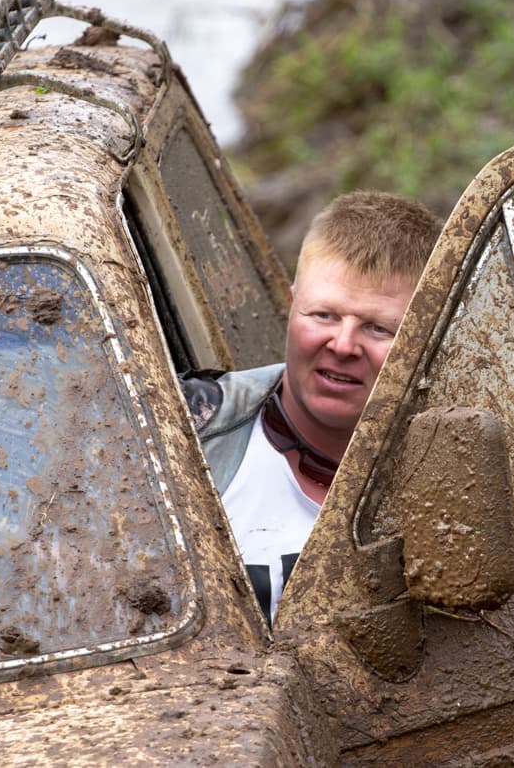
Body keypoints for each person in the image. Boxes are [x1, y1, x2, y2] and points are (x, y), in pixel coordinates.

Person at [181, 190, 441, 625]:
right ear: (291, 304)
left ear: (425, 337)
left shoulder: (453, 464)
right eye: (323, 315)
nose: (342, 345)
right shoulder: (187, 435)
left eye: (379, 328)